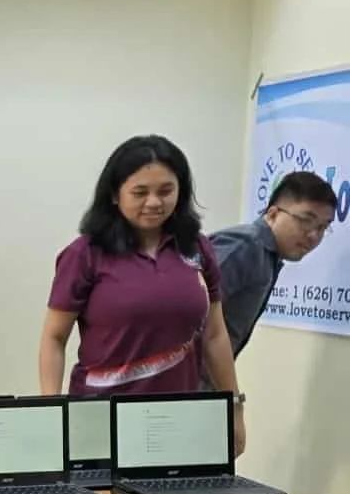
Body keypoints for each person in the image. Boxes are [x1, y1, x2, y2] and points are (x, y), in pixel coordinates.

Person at [39, 134, 245, 446]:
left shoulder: (197, 247)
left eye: (166, 191)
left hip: (178, 420)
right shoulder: (85, 254)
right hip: (100, 422)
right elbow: (54, 338)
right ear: (114, 195)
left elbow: (215, 335)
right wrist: (50, 411)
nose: (154, 202)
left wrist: (234, 408)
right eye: (140, 192)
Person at [208, 169, 339, 359]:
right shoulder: (244, 248)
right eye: (305, 221)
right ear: (272, 214)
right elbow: (181, 316)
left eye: (322, 227)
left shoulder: (267, 256)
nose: (313, 236)